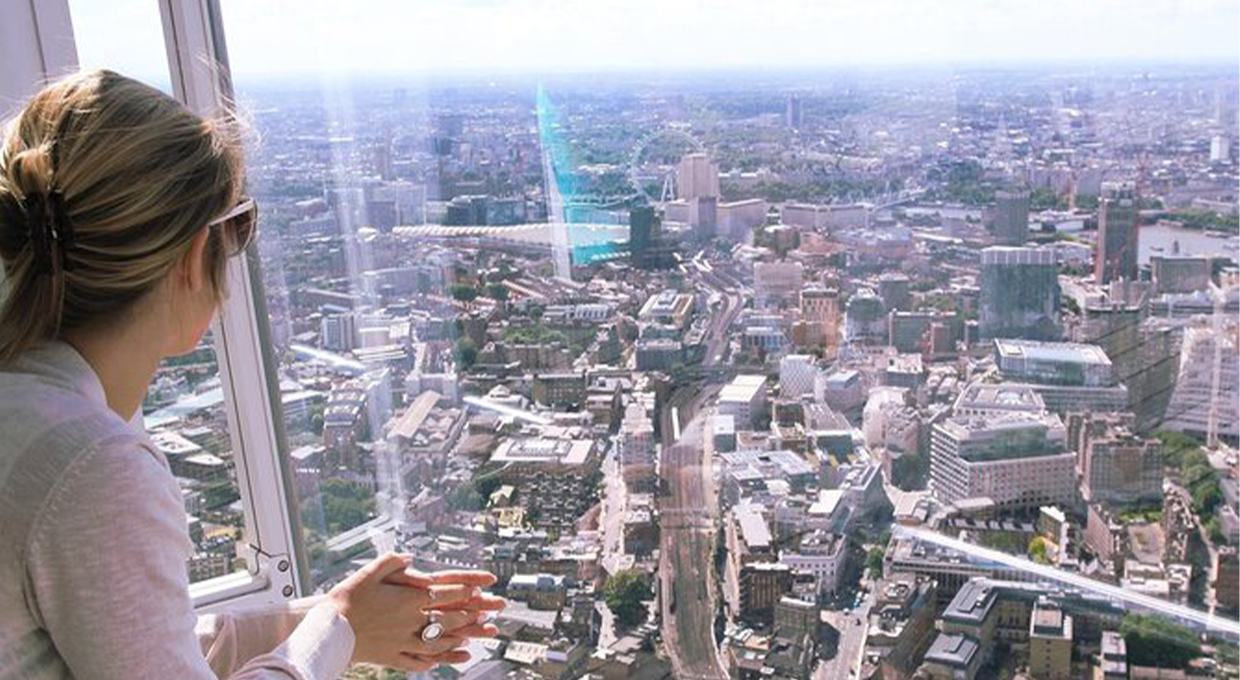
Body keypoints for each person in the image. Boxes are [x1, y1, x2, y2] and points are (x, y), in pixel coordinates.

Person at [0, 70, 503, 680]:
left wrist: (330, 624)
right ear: (190, 257)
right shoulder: (92, 468)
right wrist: (337, 627)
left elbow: (137, 645)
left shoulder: (29, 413)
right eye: (236, 227)